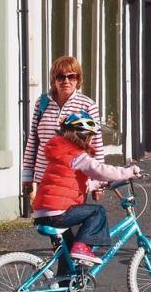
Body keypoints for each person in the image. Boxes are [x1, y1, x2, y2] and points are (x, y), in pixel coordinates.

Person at [32, 112, 140, 267]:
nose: (91, 141)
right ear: (83, 137)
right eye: (90, 137)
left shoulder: (61, 154)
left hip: (44, 211)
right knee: (97, 212)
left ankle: (67, 290)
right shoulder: (77, 155)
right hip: (58, 212)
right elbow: (100, 170)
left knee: (68, 253)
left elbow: (71, 183)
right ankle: (83, 247)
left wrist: (98, 184)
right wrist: (128, 172)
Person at [23, 56, 104, 200]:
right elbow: (33, 141)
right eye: (60, 77)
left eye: (71, 77)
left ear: (78, 80)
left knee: (71, 219)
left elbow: (96, 145)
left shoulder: (87, 106)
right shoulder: (42, 103)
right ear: (54, 79)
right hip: (44, 178)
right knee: (46, 220)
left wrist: (98, 182)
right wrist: (27, 176)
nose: (66, 81)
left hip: (73, 179)